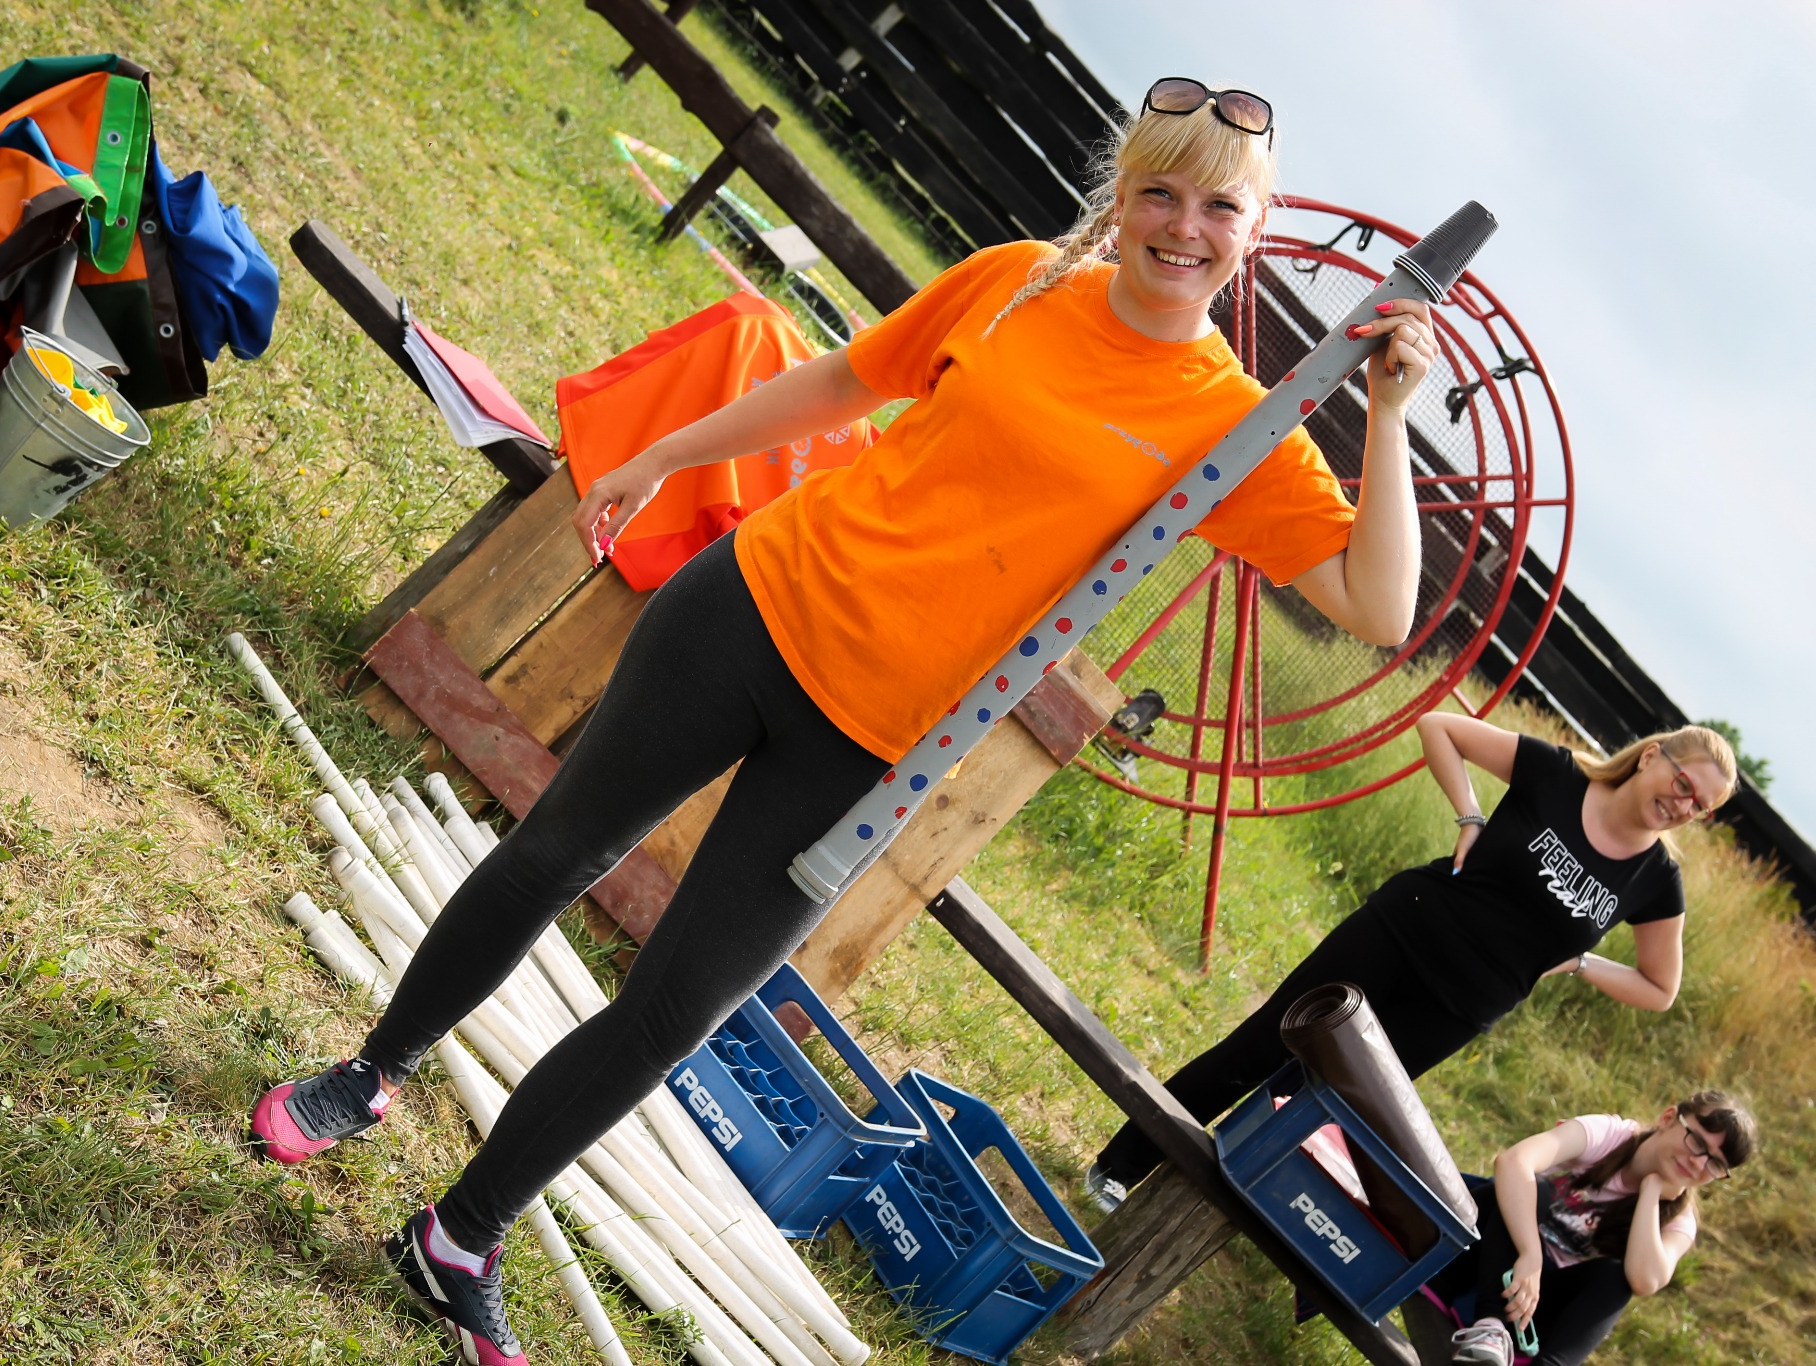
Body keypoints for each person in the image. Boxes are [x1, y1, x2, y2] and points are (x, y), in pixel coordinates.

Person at [251, 76, 1441, 1364]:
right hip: (755, 608)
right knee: (556, 851)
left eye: (1219, 204)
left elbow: (1376, 604)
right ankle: (369, 1072)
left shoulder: (1234, 429)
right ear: (1121, 192)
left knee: (677, 1007)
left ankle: (460, 1235)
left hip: (879, 741)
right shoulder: (1017, 281)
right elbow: (838, 383)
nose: (1181, 224)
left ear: (1253, 232)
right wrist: (665, 457)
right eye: (1158, 188)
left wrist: (1381, 416)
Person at [1088, 717, 1739, 1211]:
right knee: (1257, 1049)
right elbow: (1439, 728)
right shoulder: (1556, 774)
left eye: (1700, 807)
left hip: (1457, 1007)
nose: (1684, 805)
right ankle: (1120, 1165)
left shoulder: (1657, 882)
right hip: (1400, 930)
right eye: (1684, 784)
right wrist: (1469, 814)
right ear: (1653, 756)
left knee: (1313, 1101)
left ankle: (1187, 1203)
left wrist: (1579, 963)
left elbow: (1660, 987)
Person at [1432, 1089, 1757, 1365]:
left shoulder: (1680, 1219)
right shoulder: (1610, 1135)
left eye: (1715, 1164)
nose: (1698, 1163)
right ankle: (1490, 1327)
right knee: (1534, 1192)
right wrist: (1531, 1253)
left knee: (1616, 1278)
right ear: (1669, 1118)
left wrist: (1652, 1192)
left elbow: (1647, 1280)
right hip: (1484, 1253)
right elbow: (1514, 1161)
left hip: (1530, 1305)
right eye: (1697, 1141)